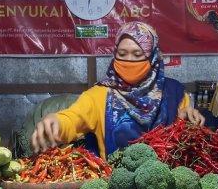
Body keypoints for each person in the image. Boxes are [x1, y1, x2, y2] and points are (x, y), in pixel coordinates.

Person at [31, 21, 205, 158]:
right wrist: (56, 121)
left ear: (153, 57)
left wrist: (186, 119)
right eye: (122, 54)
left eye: (137, 55)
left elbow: (187, 137)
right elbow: (73, 118)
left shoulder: (173, 92)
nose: (128, 60)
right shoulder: (99, 95)